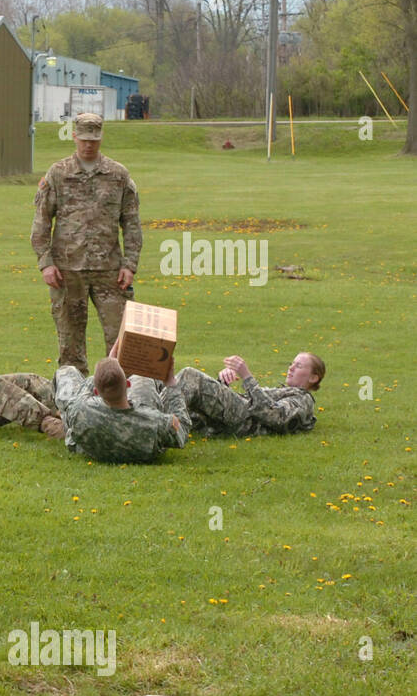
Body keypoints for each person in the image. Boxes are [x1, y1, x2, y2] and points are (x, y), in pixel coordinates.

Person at [31, 112, 142, 375]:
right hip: (67, 273)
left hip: (110, 273)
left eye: (93, 139)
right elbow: (42, 222)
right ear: (74, 137)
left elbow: (132, 223)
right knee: (70, 348)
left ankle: (122, 401)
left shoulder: (118, 175)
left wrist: (130, 264)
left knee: (122, 342)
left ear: (101, 137)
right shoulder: (58, 174)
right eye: (83, 139)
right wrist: (45, 263)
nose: (88, 145)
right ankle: (73, 405)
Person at [54, 343, 189, 463]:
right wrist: (171, 384)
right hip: (143, 440)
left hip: (93, 445)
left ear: (96, 392)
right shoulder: (157, 422)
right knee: (143, 379)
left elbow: (80, 396)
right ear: (128, 384)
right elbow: (181, 431)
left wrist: (106, 368)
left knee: (66, 372)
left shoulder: (81, 412)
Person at [176, 352, 324, 436]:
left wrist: (247, 376)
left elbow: (277, 417)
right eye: (291, 364)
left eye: (298, 366)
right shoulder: (284, 390)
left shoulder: (303, 399)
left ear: (313, 377)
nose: (291, 368)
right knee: (163, 383)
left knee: (190, 376)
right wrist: (222, 383)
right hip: (238, 414)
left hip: (245, 419)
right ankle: (160, 421)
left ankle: (165, 428)